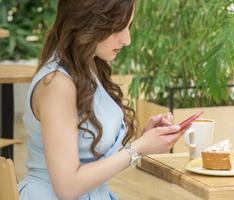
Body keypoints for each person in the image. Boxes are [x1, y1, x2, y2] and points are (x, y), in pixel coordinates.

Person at [18, 0, 187, 199]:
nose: (127, 40)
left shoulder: (88, 67)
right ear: (89, 23)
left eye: (128, 26)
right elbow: (67, 187)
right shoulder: (58, 84)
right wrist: (138, 148)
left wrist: (144, 141)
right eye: (118, 28)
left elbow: (91, 164)